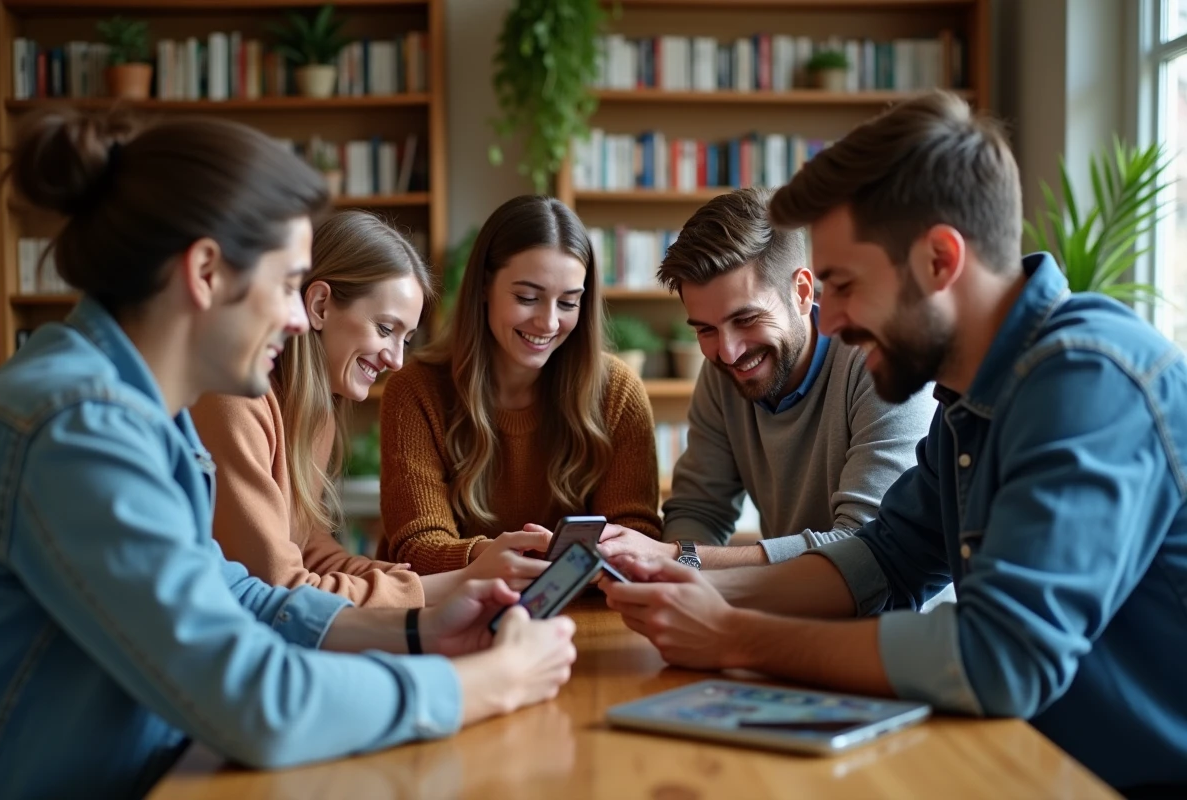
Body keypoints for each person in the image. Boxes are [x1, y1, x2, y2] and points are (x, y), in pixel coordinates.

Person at [601, 90, 1187, 794]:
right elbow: (883, 558)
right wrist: (694, 587)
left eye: (844, 285)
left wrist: (733, 633)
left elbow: (998, 656)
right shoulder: (968, 401)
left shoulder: (1087, 378)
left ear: (940, 260)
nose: (833, 319)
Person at [0, 109, 575, 800]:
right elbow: (252, 699)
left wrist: (417, 628)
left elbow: (240, 597)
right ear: (206, 272)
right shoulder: (77, 428)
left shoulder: (147, 415)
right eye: (289, 283)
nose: (299, 318)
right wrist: (486, 683)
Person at [193, 210, 552, 608]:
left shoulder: (315, 408)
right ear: (320, 305)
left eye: (406, 338)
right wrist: (453, 583)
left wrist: (410, 579)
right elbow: (279, 587)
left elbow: (309, 548)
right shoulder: (234, 401)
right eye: (385, 329)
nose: (397, 360)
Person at [595, 188, 935, 569]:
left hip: (895, 621)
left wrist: (679, 557)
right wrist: (674, 573)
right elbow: (700, 510)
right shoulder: (721, 372)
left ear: (802, 292)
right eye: (705, 329)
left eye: (746, 319)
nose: (728, 352)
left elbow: (866, 549)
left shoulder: (882, 361)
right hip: (791, 611)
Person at [377, 195, 661, 574]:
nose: (548, 323)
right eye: (527, 297)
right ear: (483, 287)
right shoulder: (415, 391)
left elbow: (636, 535)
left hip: (579, 608)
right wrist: (491, 559)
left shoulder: (617, 391)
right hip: (449, 612)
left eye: (568, 303)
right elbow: (418, 546)